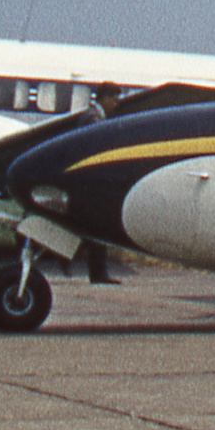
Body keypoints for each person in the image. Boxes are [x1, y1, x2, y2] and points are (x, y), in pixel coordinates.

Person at [81, 83, 122, 284]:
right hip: (92, 182)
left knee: (96, 227)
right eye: (114, 98)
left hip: (90, 181)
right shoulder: (93, 119)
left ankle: (98, 272)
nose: (116, 103)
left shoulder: (93, 116)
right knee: (98, 226)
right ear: (104, 98)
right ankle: (98, 273)